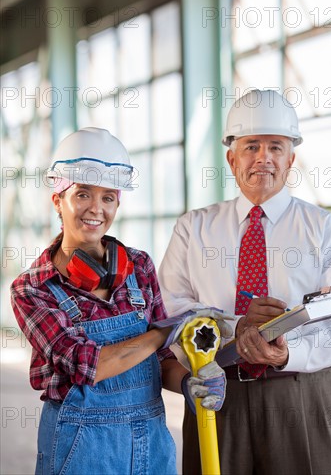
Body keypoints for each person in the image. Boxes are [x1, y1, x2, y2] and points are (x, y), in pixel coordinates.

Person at [158, 89, 331, 475]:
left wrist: (286, 353)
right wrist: (239, 330)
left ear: (291, 159)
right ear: (231, 158)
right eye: (251, 146)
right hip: (218, 390)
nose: (263, 158)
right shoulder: (193, 228)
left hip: (304, 393)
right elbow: (171, 311)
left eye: (275, 146)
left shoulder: (326, 231)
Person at [10, 127, 233, 475]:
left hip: (151, 441)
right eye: (82, 194)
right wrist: (167, 331)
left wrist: (190, 382)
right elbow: (87, 365)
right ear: (58, 199)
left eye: (108, 197)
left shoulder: (139, 266)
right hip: (81, 448)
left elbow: (160, 362)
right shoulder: (33, 289)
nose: (95, 209)